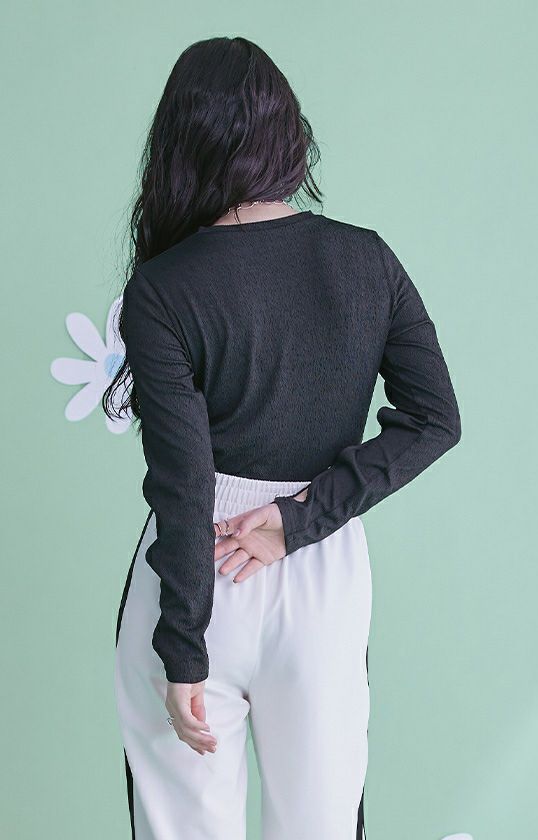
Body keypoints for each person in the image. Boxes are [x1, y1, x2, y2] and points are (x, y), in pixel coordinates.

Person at [103, 34, 461, 840]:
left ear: (181, 145)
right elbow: (435, 418)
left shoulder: (163, 288)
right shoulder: (367, 260)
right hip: (323, 570)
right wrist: (299, 521)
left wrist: (183, 650)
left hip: (196, 573)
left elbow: (184, 483)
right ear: (288, 135)